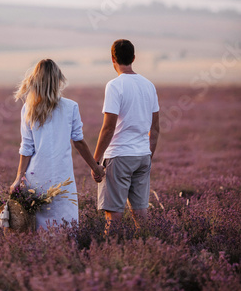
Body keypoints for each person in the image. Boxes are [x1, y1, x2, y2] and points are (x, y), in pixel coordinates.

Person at [10, 59, 105, 230]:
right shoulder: (71, 107)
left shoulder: (29, 109)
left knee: (39, 227)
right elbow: (79, 142)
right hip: (63, 177)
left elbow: (26, 148)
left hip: (36, 177)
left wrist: (19, 177)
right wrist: (95, 167)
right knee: (66, 224)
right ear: (58, 80)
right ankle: (65, 253)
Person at [91, 39, 160, 231]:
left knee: (113, 214)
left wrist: (95, 161)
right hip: (142, 156)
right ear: (134, 58)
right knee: (141, 214)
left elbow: (108, 128)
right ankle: (147, 249)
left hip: (119, 156)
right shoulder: (149, 86)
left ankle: (110, 252)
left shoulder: (114, 86)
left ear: (112, 58)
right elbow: (155, 129)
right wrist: (147, 154)